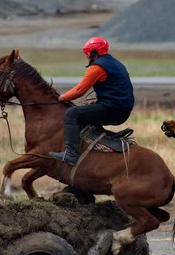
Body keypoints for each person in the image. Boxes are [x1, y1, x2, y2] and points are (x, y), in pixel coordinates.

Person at [50, 37, 135, 165]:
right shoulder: (115, 63)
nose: (87, 57)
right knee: (86, 115)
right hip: (121, 109)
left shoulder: (97, 67)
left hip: (113, 110)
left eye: (88, 54)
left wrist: (62, 97)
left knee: (72, 114)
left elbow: (79, 90)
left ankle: (71, 154)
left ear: (95, 53)